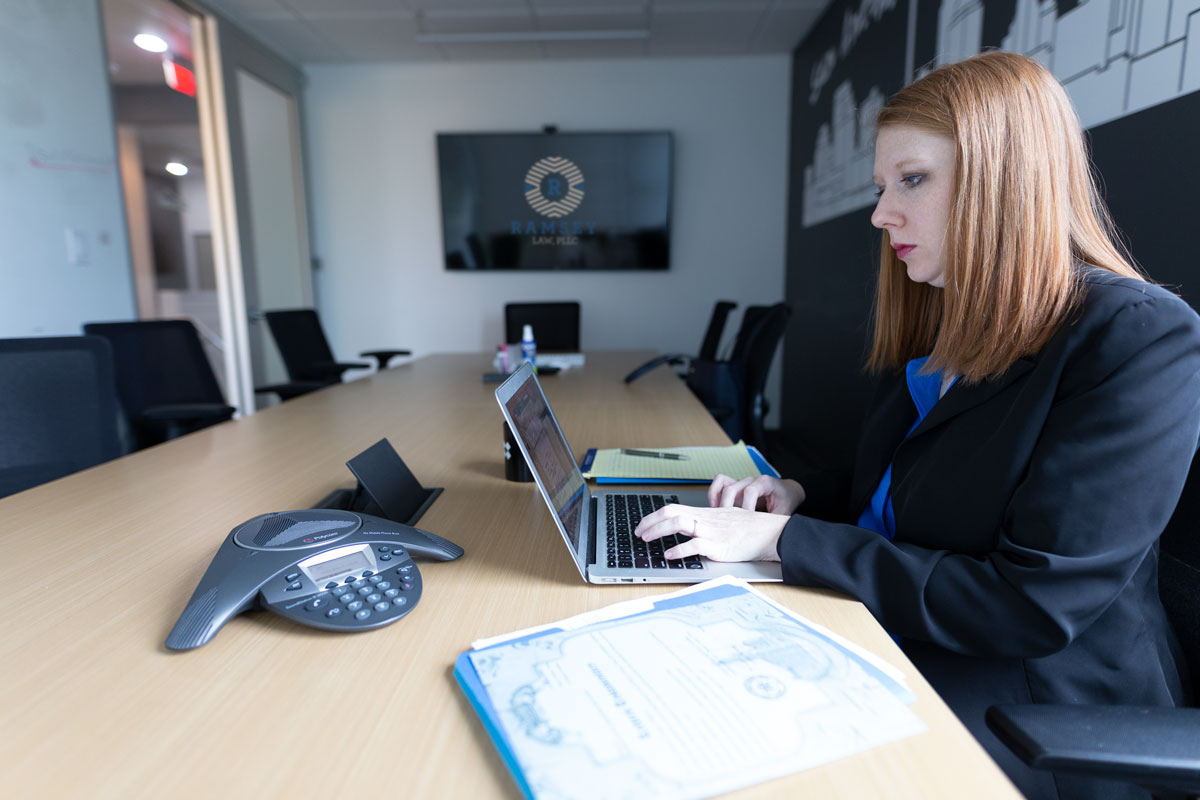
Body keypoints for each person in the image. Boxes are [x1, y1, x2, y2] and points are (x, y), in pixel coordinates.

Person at [635, 51, 1200, 800]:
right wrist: (801, 496)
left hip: (1026, 708)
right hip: (892, 632)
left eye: (912, 180)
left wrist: (784, 544)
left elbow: (1029, 605)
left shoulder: (1135, 336)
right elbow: (907, 484)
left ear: (1006, 181)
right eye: (881, 187)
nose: (880, 214)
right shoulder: (949, 326)